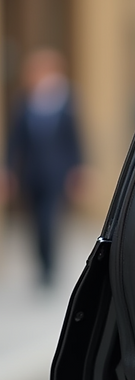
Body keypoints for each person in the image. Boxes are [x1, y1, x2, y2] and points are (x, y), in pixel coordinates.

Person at [5, 48, 83, 287]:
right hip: (31, 174)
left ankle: (50, 268)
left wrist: (79, 169)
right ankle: (41, 264)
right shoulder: (24, 102)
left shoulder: (66, 101)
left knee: (50, 220)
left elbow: (76, 139)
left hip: (57, 174)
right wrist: (7, 170)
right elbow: (14, 141)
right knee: (35, 224)